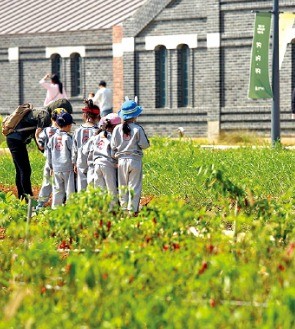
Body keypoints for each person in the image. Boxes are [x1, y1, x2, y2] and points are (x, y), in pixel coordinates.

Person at [6, 99, 72, 201]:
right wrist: (47, 151)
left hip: (14, 138)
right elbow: (39, 136)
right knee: (25, 170)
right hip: (16, 139)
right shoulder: (45, 116)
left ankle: (22, 198)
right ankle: (28, 200)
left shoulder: (41, 111)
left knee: (21, 170)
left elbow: (37, 136)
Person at [111, 99, 150, 216]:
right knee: (134, 186)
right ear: (135, 116)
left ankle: (123, 209)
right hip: (135, 160)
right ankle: (132, 211)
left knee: (123, 186)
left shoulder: (117, 129)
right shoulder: (138, 129)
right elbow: (145, 144)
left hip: (121, 161)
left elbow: (113, 145)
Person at [34, 108, 67, 210]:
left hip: (49, 161)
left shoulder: (46, 130)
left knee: (46, 183)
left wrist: (36, 135)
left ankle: (40, 205)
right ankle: (61, 204)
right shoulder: (63, 132)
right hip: (61, 162)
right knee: (62, 185)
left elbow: (41, 146)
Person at [47, 112, 75, 209]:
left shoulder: (52, 138)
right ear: (68, 125)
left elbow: (49, 153)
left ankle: (55, 208)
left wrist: (51, 166)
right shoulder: (68, 138)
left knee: (57, 190)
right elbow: (73, 152)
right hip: (68, 168)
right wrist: (74, 163)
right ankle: (71, 209)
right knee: (69, 189)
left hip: (56, 168)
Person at [72, 99, 100, 191]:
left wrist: (74, 162)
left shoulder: (78, 130)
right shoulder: (98, 131)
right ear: (97, 117)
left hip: (80, 160)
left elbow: (74, 148)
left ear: (85, 115)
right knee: (93, 182)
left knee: (81, 184)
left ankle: (82, 202)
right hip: (93, 160)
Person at [91, 113, 121, 199]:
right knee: (111, 189)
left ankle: (100, 208)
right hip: (108, 164)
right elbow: (113, 153)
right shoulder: (112, 137)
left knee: (99, 188)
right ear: (116, 126)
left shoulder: (98, 135)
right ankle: (112, 209)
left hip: (97, 163)